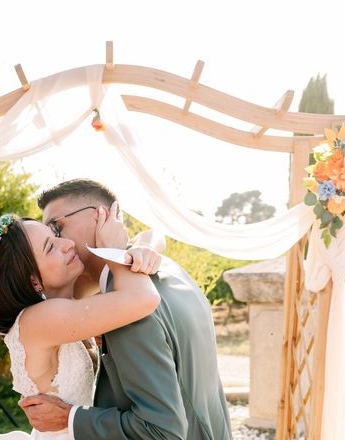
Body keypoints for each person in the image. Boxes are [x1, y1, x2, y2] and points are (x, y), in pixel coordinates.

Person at [18, 179, 232, 440]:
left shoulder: (127, 307)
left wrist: (68, 417)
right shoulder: (169, 269)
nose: (59, 241)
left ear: (101, 216)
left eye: (56, 227)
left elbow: (161, 431)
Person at [0, 204, 162, 440]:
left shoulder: (69, 299)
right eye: (51, 247)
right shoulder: (38, 320)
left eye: (56, 236)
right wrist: (116, 248)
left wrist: (146, 250)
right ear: (34, 282)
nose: (67, 244)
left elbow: (154, 235)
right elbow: (143, 298)